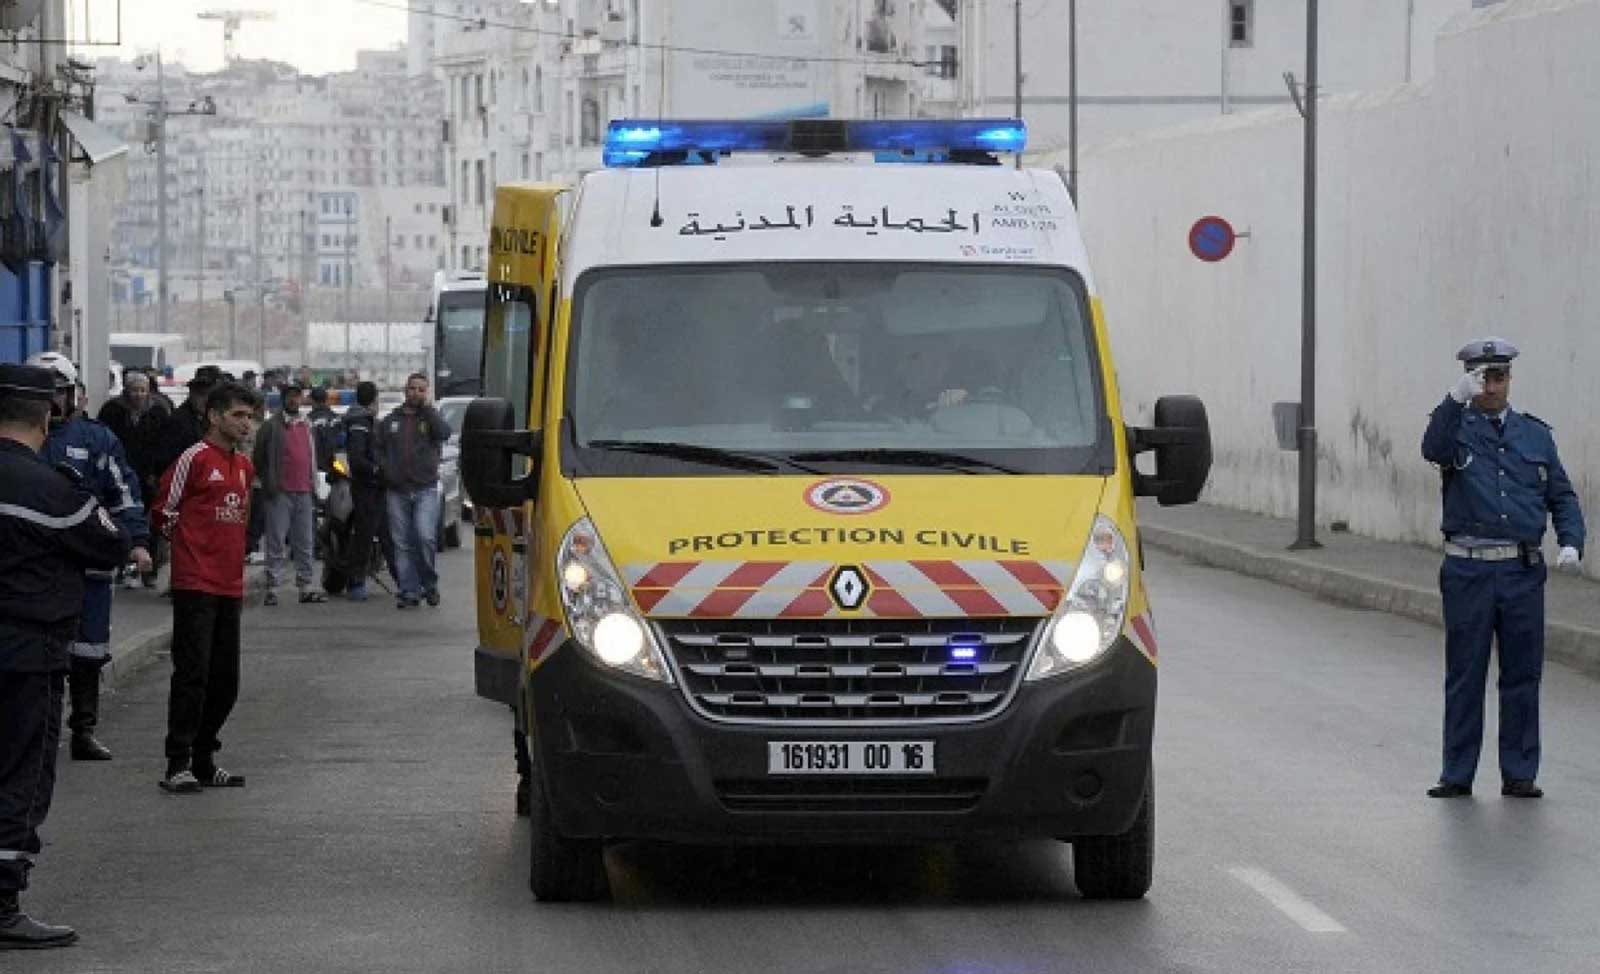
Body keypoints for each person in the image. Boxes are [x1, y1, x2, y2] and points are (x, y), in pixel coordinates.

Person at [1420, 337, 1585, 799]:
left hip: (1521, 572)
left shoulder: (1535, 435)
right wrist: (1453, 399)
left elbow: (1561, 495)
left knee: (1522, 675)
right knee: (1465, 674)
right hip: (1469, 571)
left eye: (1498, 377)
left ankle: (1520, 773)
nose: (1490, 387)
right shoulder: (1455, 426)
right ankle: (1457, 773)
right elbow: (1432, 448)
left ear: (1510, 379)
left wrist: (1572, 541)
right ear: (1469, 381)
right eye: (1481, 378)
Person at [0, 363, 130, 948]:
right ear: (48, 416)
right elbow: (109, 542)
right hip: (26, 656)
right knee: (19, 777)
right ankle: (2, 905)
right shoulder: (52, 489)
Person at [26, 356, 153, 762]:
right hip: (33, 567)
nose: (52, 402)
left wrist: (137, 541)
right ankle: (34, 734)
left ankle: (83, 729)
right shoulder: (16, 439)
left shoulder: (96, 439)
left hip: (89, 566)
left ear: (73, 394)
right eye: (43, 393)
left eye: (58, 392)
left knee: (89, 649)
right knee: (33, 652)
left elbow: (123, 491)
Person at [152, 381, 260, 793]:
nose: (246, 424)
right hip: (196, 583)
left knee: (225, 681)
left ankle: (204, 759)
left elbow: (242, 518)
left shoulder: (244, 466)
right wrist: (189, 549)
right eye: (238, 415)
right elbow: (163, 511)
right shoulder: (194, 458)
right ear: (214, 416)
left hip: (230, 586)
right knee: (192, 674)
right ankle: (177, 762)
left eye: (250, 417)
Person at [378, 373, 450, 608]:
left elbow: (444, 433)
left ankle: (429, 584)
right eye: (412, 388)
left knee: (424, 536)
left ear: (426, 393)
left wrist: (428, 411)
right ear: (405, 390)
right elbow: (378, 448)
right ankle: (409, 591)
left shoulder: (431, 418)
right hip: (397, 490)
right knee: (401, 543)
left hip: (425, 489)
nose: (416, 393)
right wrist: (386, 469)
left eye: (421, 389)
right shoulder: (390, 421)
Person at [252, 382, 325, 605]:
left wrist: (313, 485)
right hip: (279, 493)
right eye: (290, 396)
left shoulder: (307, 424)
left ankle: (305, 586)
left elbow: (312, 456)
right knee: (275, 541)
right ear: (283, 399)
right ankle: (273, 588)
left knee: (305, 542)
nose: (294, 400)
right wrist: (269, 481)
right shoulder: (271, 426)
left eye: (297, 396)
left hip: (304, 491)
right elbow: (258, 458)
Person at [340, 381, 393, 602]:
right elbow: (357, 458)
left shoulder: (363, 420)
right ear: (374, 400)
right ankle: (356, 582)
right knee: (365, 534)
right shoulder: (360, 422)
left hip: (374, 486)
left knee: (385, 534)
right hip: (366, 486)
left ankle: (405, 581)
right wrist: (376, 470)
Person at [306, 385, 340, 471]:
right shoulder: (337, 418)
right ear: (326, 399)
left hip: (317, 467)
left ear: (312, 400)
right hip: (337, 467)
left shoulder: (307, 421)